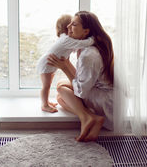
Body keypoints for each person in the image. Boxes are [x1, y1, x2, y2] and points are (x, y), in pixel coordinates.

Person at [47, 11, 114, 142]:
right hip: (99, 90)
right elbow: (82, 77)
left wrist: (64, 68)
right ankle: (92, 117)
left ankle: (86, 118)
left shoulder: (89, 55)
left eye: (74, 24)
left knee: (61, 89)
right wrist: (66, 63)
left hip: (104, 99)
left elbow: (82, 91)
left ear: (86, 31)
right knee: (60, 99)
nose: (68, 27)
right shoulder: (88, 47)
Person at [37, 14, 94, 113]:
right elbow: (82, 44)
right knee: (46, 86)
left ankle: (46, 102)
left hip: (50, 64)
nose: (71, 27)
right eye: (71, 25)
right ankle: (44, 105)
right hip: (47, 64)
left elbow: (75, 46)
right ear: (67, 27)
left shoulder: (66, 39)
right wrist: (92, 39)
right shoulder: (67, 40)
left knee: (48, 85)